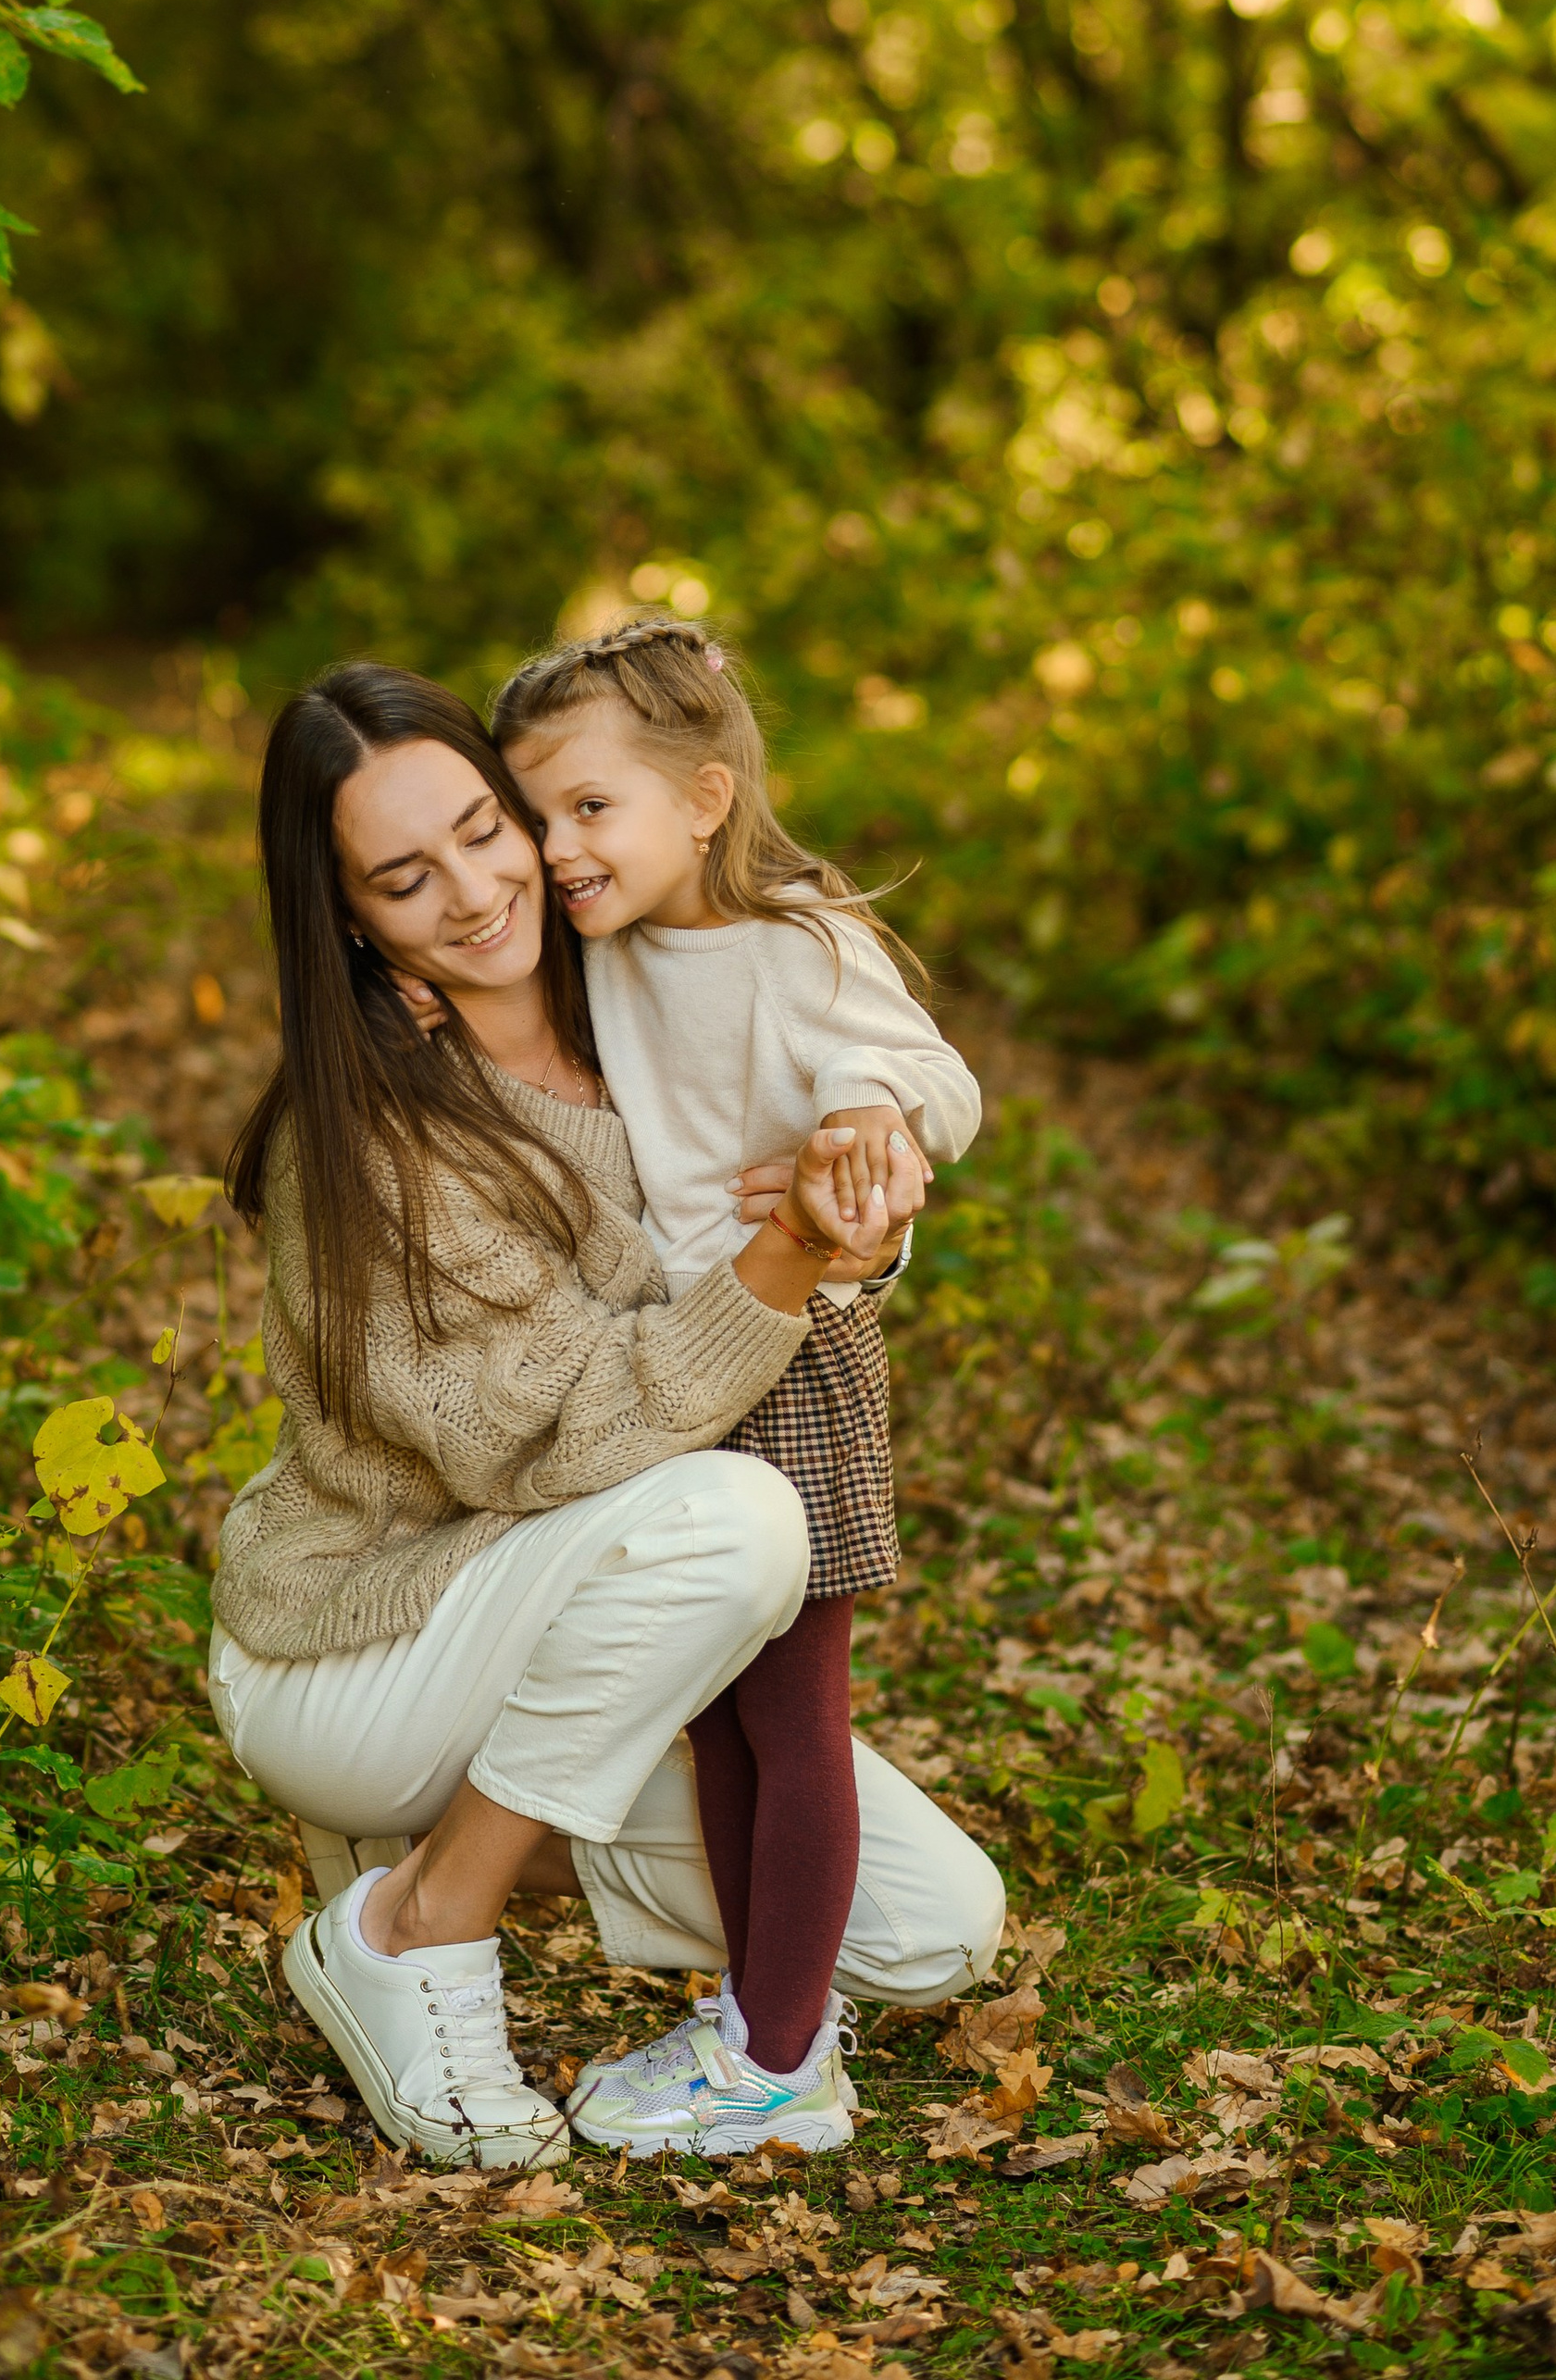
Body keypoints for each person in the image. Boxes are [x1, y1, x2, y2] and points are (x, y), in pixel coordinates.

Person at [209, 660, 1002, 2168]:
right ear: (352, 921)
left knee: (936, 1932)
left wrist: (863, 1193)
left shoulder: (635, 972)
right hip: (369, 1641)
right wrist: (791, 1254)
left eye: (484, 828)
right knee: (736, 1516)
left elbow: (818, 1108)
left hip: (582, 1598)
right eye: (401, 875)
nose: (474, 889)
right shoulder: (369, 1125)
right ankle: (414, 1918)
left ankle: (536, 1843)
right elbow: (563, 1431)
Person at [492, 617, 979, 2154]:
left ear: (705, 798)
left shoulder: (801, 944)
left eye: (590, 808)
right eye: (539, 817)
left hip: (785, 1359)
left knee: (796, 1713)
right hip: (674, 1360)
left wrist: (861, 1126)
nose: (562, 851)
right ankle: (769, 2017)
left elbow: (931, 1079)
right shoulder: (606, 949)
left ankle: (782, 2072)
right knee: (717, 1718)